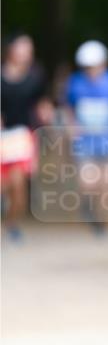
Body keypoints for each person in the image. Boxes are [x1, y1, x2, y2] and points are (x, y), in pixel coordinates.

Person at [64, 40, 108, 235]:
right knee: (88, 181)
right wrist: (71, 128)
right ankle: (88, 205)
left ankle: (101, 219)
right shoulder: (75, 83)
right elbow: (69, 108)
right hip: (85, 140)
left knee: (107, 182)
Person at [1, 33, 53, 240]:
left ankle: (11, 222)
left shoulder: (35, 76)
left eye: (29, 50)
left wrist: (45, 111)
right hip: (2, 136)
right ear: (10, 50)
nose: (26, 54)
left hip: (23, 136)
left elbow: (43, 102)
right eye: (22, 49)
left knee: (19, 184)